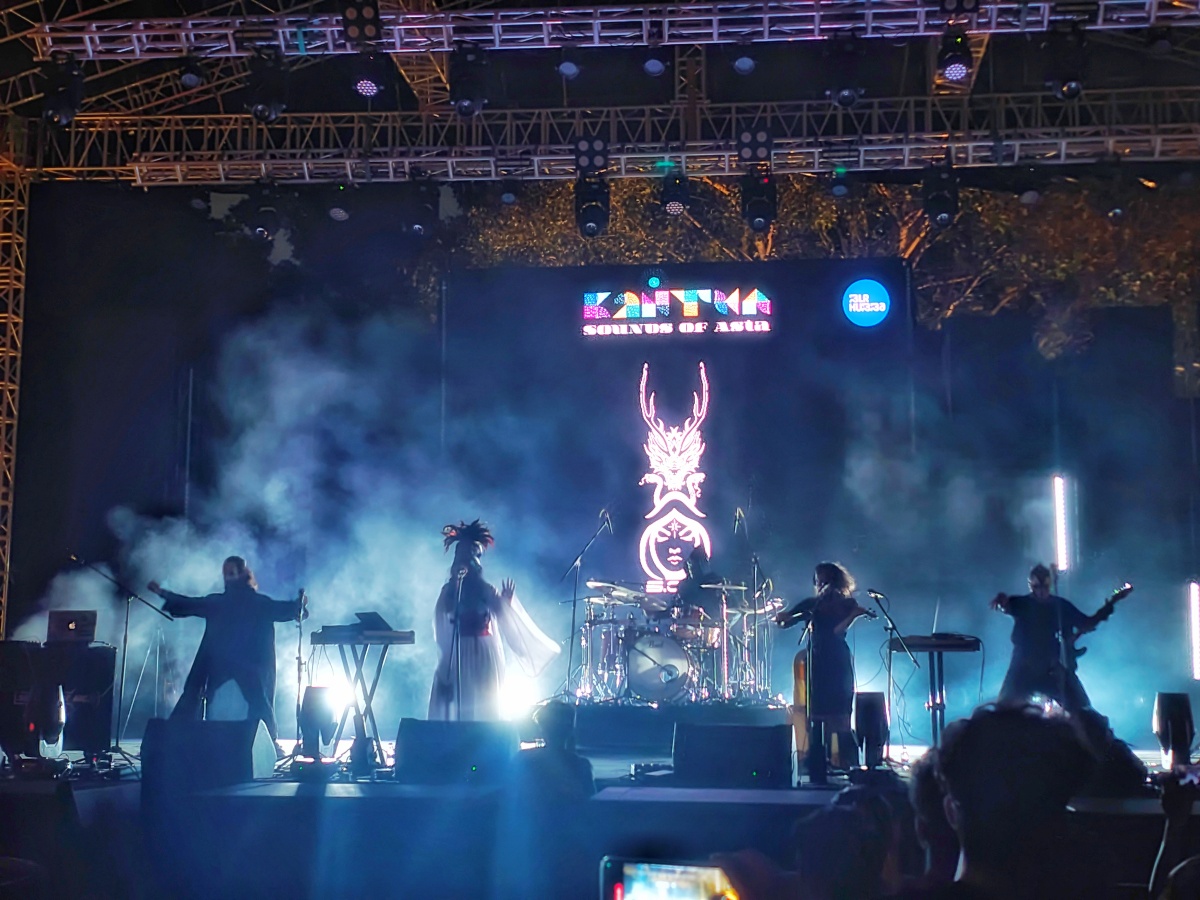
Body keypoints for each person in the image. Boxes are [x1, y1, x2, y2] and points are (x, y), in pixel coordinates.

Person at [148, 556, 305, 745]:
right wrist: (163, 593)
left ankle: (268, 742)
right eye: (225, 573)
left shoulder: (256, 602)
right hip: (216, 658)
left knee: (258, 699)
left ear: (242, 573)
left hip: (248, 662)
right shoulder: (219, 602)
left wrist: (298, 605)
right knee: (194, 690)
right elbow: (190, 604)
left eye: (231, 572)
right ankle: (176, 738)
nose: (227, 577)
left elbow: (282, 609)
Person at [428, 520, 559, 721]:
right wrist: (454, 585)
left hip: (482, 652)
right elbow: (441, 620)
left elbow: (504, 617)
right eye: (460, 555)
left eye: (468, 556)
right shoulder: (449, 590)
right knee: (458, 700)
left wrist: (506, 602)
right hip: (459, 651)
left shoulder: (485, 590)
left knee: (482, 701)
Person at [775, 561, 875, 773]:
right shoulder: (813, 604)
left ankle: (848, 764)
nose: (822, 584)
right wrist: (783, 617)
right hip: (818, 660)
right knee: (817, 713)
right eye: (819, 580)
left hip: (837, 660)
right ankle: (821, 763)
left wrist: (854, 615)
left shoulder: (847, 604)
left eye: (825, 579)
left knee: (840, 714)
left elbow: (837, 632)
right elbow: (787, 621)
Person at [990, 563, 1117, 713]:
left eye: (1045, 587)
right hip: (1024, 666)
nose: (1041, 591)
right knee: (1003, 711)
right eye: (1037, 587)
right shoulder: (1022, 603)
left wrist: (1107, 608)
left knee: (1082, 709)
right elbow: (1006, 606)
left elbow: (1086, 624)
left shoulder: (1060, 606)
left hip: (1050, 667)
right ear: (1031, 586)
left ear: (1050, 585)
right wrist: (1001, 602)